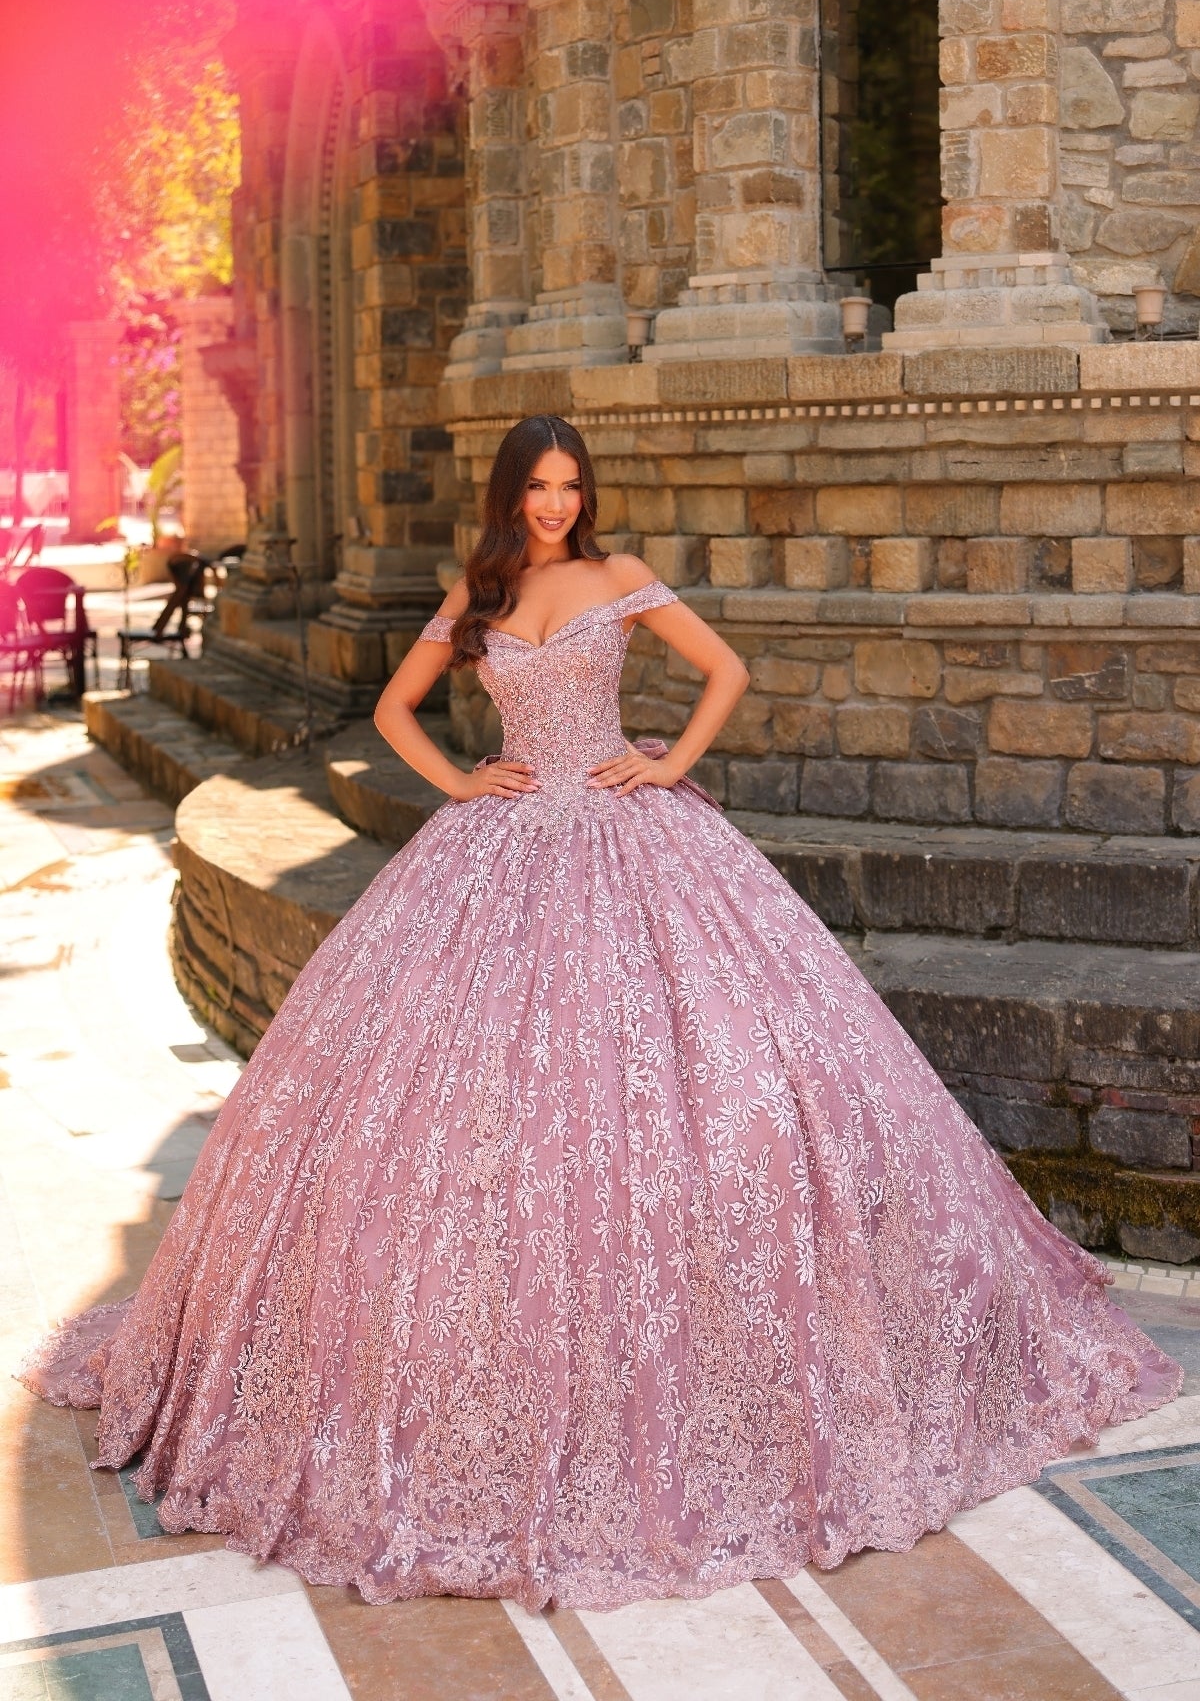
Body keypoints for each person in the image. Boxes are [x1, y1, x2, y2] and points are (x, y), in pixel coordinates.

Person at [21, 413, 1181, 1612]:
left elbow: (723, 670)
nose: (559, 504)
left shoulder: (620, 577)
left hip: (631, 832)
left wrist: (669, 761)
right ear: (510, 493)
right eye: (540, 486)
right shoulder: (477, 591)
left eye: (573, 485)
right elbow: (393, 711)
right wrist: (463, 780)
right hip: (500, 843)